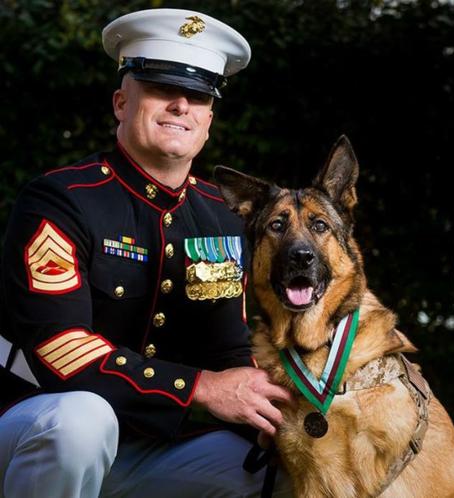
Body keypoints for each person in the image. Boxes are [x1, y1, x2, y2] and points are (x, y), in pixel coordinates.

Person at [0, 8, 294, 498]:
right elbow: (60, 349)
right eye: (161, 88)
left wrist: (266, 408)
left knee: (278, 467)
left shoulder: (222, 217)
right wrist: (199, 388)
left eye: (198, 95)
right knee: (82, 420)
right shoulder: (62, 199)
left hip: (154, 445)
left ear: (208, 120)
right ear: (120, 102)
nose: (181, 104)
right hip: (33, 426)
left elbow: (228, 350)